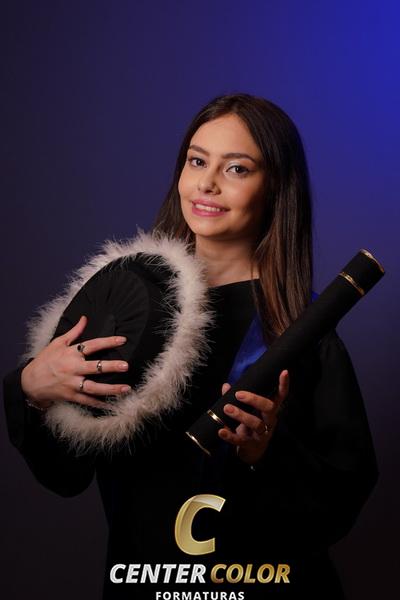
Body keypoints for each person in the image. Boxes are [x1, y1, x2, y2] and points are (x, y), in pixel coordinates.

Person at [3, 93, 378, 599]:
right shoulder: (126, 302)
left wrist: (265, 454)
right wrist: (32, 389)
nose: (206, 183)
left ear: (275, 187)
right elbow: (65, 474)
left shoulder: (302, 331)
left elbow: (339, 501)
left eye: (237, 169)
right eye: (197, 161)